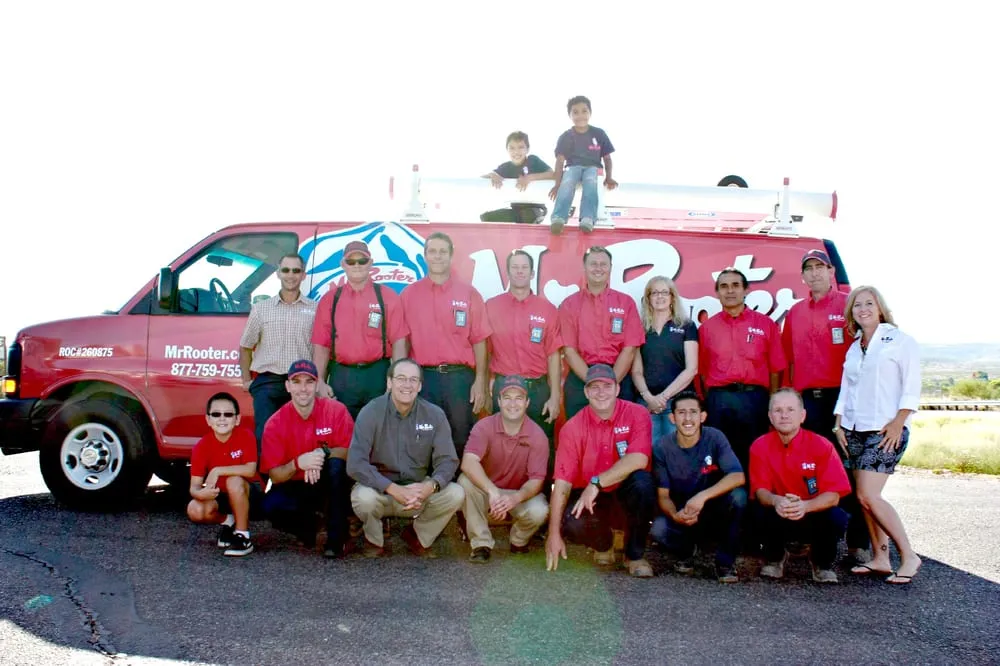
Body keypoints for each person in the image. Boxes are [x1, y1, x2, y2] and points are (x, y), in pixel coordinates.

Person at [782, 249, 869, 562]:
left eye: (821, 267)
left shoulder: (849, 305)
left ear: (832, 271)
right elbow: (788, 361)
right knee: (807, 472)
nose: (815, 273)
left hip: (842, 400)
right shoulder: (795, 313)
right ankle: (806, 536)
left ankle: (859, 542)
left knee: (851, 471)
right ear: (802, 276)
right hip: (808, 402)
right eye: (809, 268)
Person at [833, 286, 922, 584]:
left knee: (868, 494)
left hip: (885, 430)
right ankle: (880, 557)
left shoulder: (900, 341)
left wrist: (899, 422)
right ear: (851, 313)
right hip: (855, 429)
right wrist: (838, 422)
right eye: (857, 305)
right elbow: (847, 389)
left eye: (869, 303)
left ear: (880, 308)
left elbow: (911, 388)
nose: (863, 309)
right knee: (866, 499)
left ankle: (908, 555)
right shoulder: (855, 346)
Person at [545, 364, 656, 578]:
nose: (601, 392)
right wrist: (553, 534)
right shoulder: (572, 427)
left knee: (643, 484)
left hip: (624, 492)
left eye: (606, 386)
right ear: (586, 392)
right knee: (572, 521)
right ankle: (604, 546)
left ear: (617, 389)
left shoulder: (637, 413)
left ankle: (634, 555)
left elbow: (639, 458)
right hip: (594, 500)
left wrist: (596, 483)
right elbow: (562, 483)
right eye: (594, 387)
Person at [347, 358, 464, 557]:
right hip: (381, 490)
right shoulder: (371, 412)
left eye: (413, 380)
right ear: (389, 382)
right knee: (362, 498)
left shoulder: (434, 415)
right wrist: (391, 488)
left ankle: (418, 536)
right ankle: (374, 540)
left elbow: (447, 460)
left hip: (417, 492)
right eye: (401, 379)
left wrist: (431, 486)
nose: (407, 385)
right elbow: (355, 464)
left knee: (456, 493)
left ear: (419, 386)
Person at [400, 232, 491, 462]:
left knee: (461, 438)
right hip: (424, 379)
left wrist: (480, 381)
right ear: (425, 256)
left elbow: (480, 340)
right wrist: (400, 379)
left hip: (460, 380)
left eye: (443, 252)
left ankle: (459, 495)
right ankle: (428, 494)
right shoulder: (410, 295)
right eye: (432, 251)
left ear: (451, 256)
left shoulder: (469, 294)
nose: (437, 256)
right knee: (423, 438)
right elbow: (401, 341)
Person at [750, 389, 851, 583]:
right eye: (778, 410)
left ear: (802, 415)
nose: (784, 415)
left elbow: (833, 495)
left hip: (812, 512)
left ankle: (822, 563)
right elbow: (760, 491)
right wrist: (776, 500)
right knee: (756, 510)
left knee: (836, 516)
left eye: (790, 409)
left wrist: (805, 506)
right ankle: (774, 558)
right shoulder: (760, 446)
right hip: (779, 512)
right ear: (770, 416)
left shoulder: (822, 445)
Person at [259, 360, 355, 558]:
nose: (303, 388)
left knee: (337, 466)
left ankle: (337, 539)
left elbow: (352, 452)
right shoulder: (275, 423)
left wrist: (322, 454)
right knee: (270, 505)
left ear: (317, 384)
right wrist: (298, 463)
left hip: (328, 482)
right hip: (296, 482)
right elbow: (275, 476)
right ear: (288, 386)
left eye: (309, 382)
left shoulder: (336, 411)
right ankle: (310, 528)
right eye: (296, 382)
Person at [651, 391, 746, 583]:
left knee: (739, 497)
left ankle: (725, 563)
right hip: (684, 514)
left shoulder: (715, 437)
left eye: (693, 412)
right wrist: (674, 515)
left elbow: (737, 476)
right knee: (658, 530)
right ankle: (687, 552)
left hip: (711, 509)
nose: (687, 418)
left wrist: (702, 497)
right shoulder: (662, 447)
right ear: (672, 417)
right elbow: (663, 496)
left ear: (703, 416)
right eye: (681, 412)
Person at [698, 267, 786, 472]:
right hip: (719, 401)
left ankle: (755, 500)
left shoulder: (766, 325)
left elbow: (776, 368)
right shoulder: (706, 329)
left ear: (746, 290)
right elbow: (701, 372)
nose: (730, 291)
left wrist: (770, 402)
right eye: (724, 286)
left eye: (736, 285)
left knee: (756, 458)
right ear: (717, 292)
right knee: (719, 460)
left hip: (755, 400)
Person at [311, 240, 409, 420]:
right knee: (343, 434)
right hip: (342, 376)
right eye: (351, 261)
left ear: (370, 263)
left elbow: (399, 342)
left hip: (377, 375)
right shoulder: (330, 299)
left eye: (362, 261)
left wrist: (398, 379)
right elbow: (321, 345)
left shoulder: (388, 297)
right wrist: (319, 381)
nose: (357, 265)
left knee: (379, 432)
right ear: (343, 265)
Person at [458, 376, 550, 563]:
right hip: (488, 490)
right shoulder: (484, 426)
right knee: (464, 482)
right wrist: (492, 491)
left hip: (518, 494)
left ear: (527, 402)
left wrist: (514, 498)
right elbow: (468, 462)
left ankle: (518, 539)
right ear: (498, 401)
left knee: (540, 510)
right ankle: (481, 543)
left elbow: (537, 481)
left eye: (518, 398)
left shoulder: (538, 435)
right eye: (507, 397)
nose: (513, 403)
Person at [485, 250, 563, 459]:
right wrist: (487, 383)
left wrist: (555, 395)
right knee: (501, 449)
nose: (519, 272)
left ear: (532, 273)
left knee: (541, 447)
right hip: (504, 388)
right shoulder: (491, 307)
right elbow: (484, 351)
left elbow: (553, 355)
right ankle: (502, 492)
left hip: (537, 390)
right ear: (507, 272)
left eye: (524, 268)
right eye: (515, 267)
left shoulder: (547, 309)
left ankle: (542, 492)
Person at [239, 253, 316, 460]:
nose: (290, 275)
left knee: (300, 438)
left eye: (296, 271)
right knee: (265, 437)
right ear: (278, 274)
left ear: (303, 275)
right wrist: (247, 380)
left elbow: (319, 349)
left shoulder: (315, 310)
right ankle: (262, 489)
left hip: (301, 384)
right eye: (286, 270)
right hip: (268, 382)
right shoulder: (261, 310)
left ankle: (294, 488)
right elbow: (245, 346)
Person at [558, 246, 644, 420]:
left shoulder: (626, 303)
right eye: (593, 264)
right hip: (581, 378)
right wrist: (593, 383)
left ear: (610, 268)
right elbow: (569, 351)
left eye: (603, 264)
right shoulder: (569, 304)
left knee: (621, 438)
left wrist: (610, 384)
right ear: (584, 268)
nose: (598, 268)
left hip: (618, 377)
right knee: (579, 437)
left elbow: (629, 350)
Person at [630, 275, 698, 452]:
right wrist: (649, 398)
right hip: (646, 403)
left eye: (664, 292)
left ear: (672, 297)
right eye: (654, 293)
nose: (659, 297)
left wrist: (663, 397)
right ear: (648, 298)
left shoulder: (686, 326)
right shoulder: (640, 327)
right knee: (648, 454)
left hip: (678, 403)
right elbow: (636, 370)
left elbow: (692, 369)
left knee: (677, 452)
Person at [186, 392, 259, 557]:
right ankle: (229, 522)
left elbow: (250, 470)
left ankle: (242, 536)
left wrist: (218, 470)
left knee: (234, 481)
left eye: (228, 414)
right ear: (208, 420)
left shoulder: (245, 436)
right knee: (195, 509)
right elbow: (194, 487)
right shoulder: (201, 446)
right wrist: (201, 493)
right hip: (221, 495)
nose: (222, 419)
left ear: (237, 419)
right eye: (216, 414)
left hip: (249, 494)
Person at [548, 95, 617, 234]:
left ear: (590, 113)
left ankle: (587, 218)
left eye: (584, 111)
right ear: (570, 115)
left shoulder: (599, 134)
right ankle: (558, 218)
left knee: (591, 182)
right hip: (573, 167)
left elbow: (607, 158)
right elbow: (560, 161)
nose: (580, 115)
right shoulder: (566, 136)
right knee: (568, 181)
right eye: (575, 112)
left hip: (593, 168)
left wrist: (609, 177)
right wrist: (557, 184)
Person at [481, 131, 555, 224]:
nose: (516, 151)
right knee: (486, 217)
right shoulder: (506, 167)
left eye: (521, 147)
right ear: (507, 150)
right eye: (512, 148)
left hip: (536, 209)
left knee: (527, 215)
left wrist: (530, 177)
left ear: (527, 149)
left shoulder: (532, 160)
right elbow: (484, 177)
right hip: (516, 210)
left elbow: (552, 174)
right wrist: (492, 175)